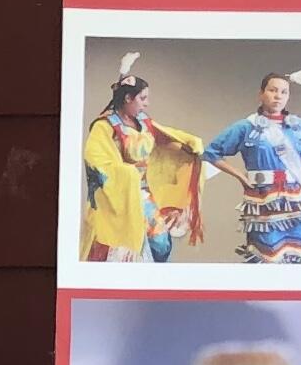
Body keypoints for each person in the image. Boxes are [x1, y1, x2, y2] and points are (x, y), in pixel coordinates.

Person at [77, 61, 205, 263]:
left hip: (145, 195)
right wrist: (128, 174)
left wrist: (189, 147)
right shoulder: (105, 126)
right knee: (119, 249)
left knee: (161, 243)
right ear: (128, 98)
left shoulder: (144, 122)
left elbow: (163, 140)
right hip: (118, 198)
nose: (146, 103)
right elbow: (97, 162)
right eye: (143, 98)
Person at [199, 71, 301, 263]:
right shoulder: (246, 127)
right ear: (261, 94)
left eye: (284, 92)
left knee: (297, 255)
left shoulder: (298, 127)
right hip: (262, 198)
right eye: (273, 90)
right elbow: (212, 152)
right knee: (266, 255)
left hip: (295, 200)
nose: (278, 96)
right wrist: (240, 176)